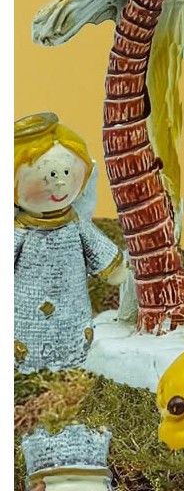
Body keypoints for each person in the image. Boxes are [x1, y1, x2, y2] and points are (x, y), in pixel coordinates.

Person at [14, 113, 125, 373]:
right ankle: (26, 368)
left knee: (74, 338)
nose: (60, 182)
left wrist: (114, 269)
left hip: (73, 305)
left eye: (66, 172)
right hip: (26, 314)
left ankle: (75, 362)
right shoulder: (20, 231)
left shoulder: (75, 224)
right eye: (50, 175)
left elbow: (97, 248)